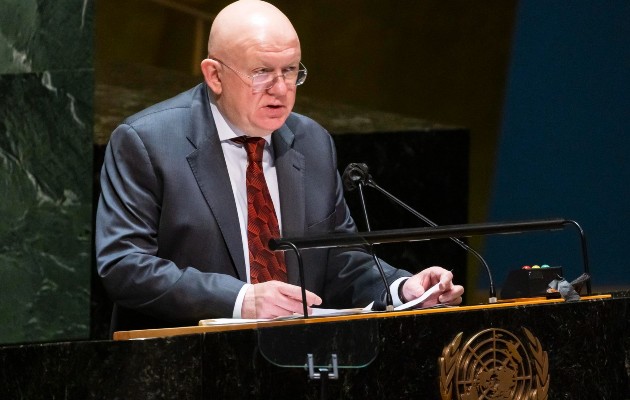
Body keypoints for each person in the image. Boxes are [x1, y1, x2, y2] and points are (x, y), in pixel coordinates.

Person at [95, 0, 464, 332]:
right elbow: (125, 266)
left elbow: (339, 259)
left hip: (297, 362)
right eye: (261, 72)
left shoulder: (312, 142)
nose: (281, 89)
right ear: (215, 75)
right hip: (184, 362)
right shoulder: (146, 142)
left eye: (290, 71)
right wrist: (241, 299)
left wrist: (402, 289)